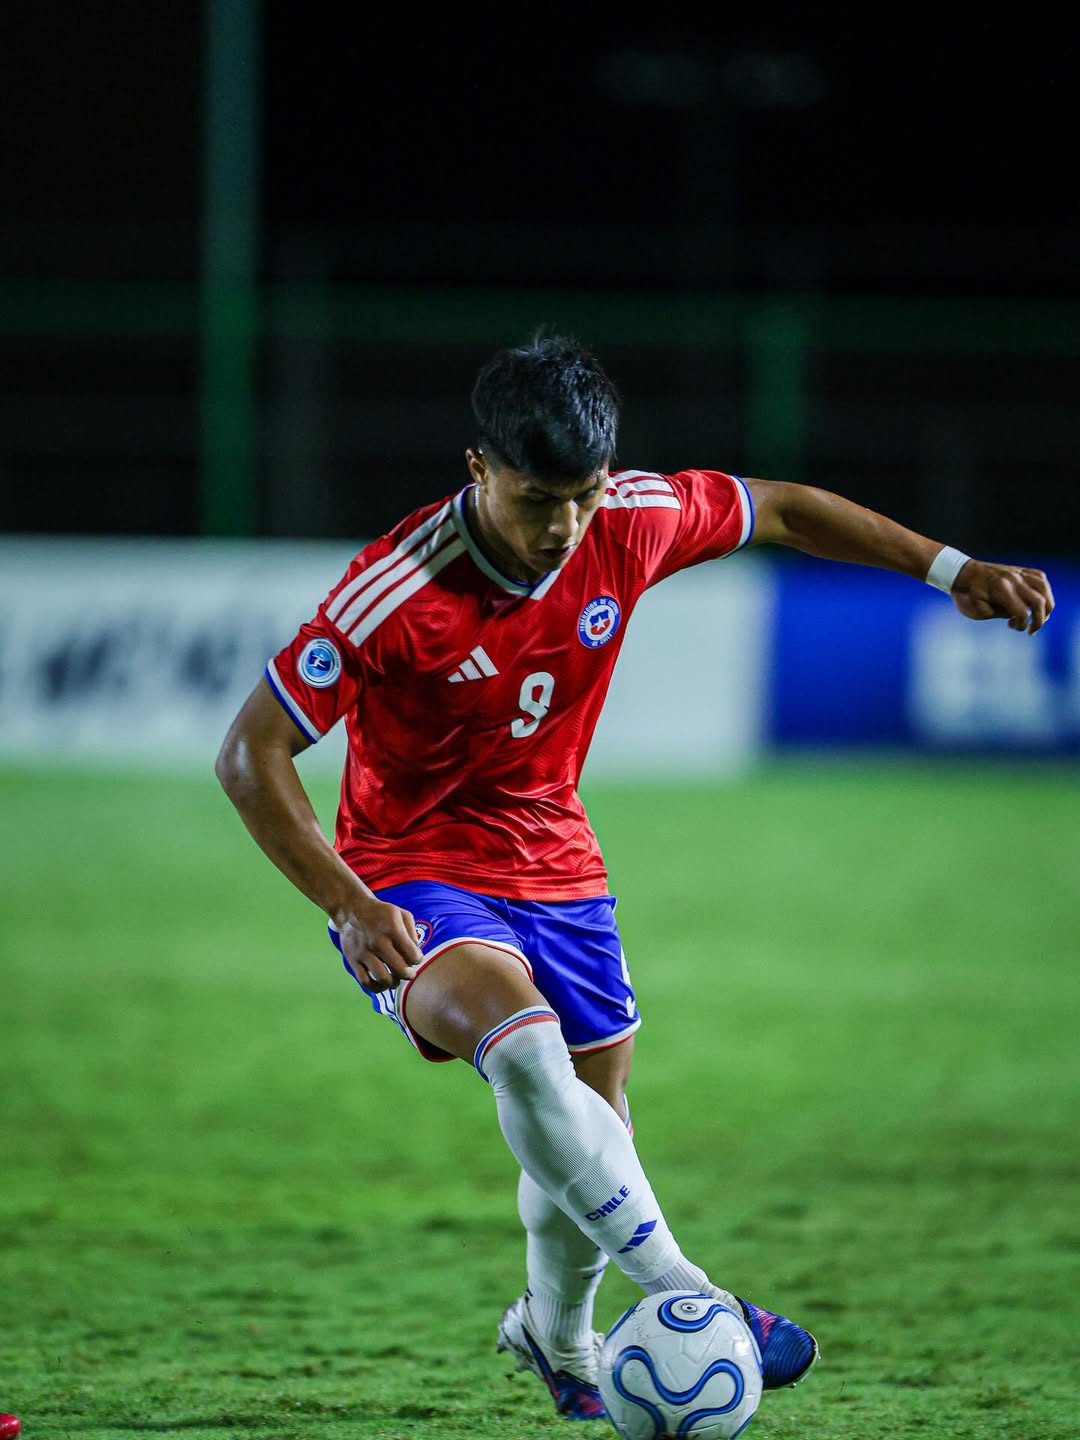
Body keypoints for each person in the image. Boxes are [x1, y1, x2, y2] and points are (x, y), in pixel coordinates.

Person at [215, 333, 1054, 1422]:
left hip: (557, 861)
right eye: (536, 499)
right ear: (479, 467)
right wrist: (348, 903)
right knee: (524, 1052)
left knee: (593, 1130)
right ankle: (692, 1292)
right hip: (410, 871)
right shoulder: (396, 589)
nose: (564, 526)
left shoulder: (628, 518)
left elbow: (786, 510)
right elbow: (251, 753)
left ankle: (558, 1337)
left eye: (582, 495)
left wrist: (954, 569)